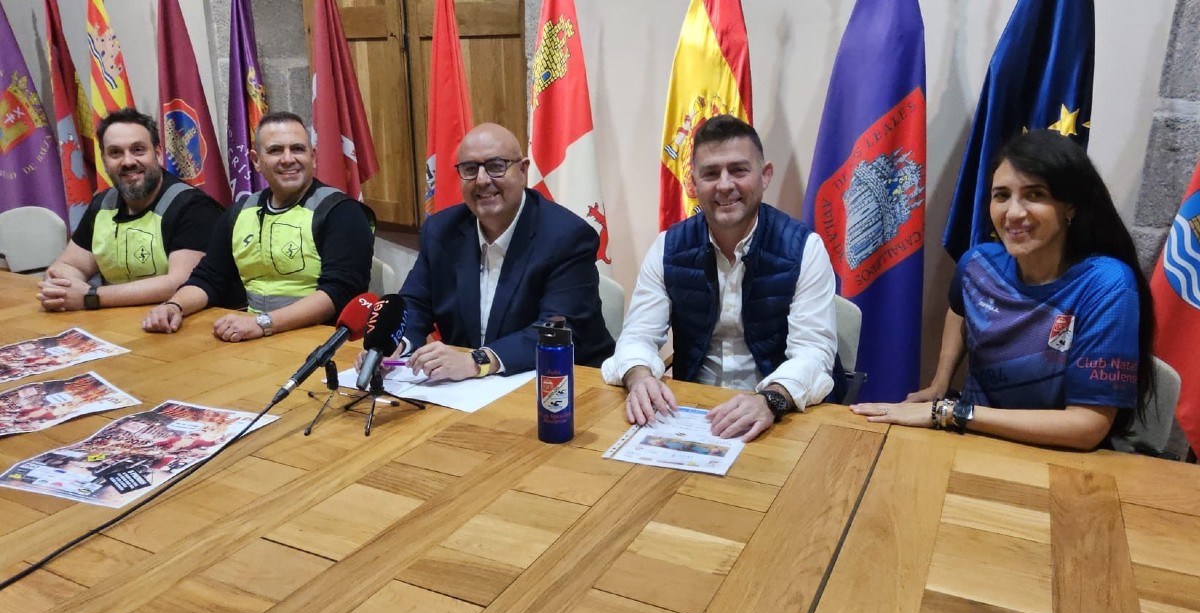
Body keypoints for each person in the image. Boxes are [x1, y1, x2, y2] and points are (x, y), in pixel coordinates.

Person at [851, 129, 1155, 451]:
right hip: (970, 442)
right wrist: (941, 382)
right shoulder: (978, 264)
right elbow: (959, 311)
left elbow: (1088, 427)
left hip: (1056, 458)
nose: (1013, 213)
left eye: (1035, 194)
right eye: (1001, 196)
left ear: (1070, 206)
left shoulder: (1106, 283)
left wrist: (952, 413)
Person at [601, 115, 838, 442]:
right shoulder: (668, 247)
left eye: (738, 170)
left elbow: (814, 353)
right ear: (692, 183)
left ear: (765, 176)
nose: (724, 185)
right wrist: (639, 376)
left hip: (780, 415)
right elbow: (637, 336)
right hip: (691, 412)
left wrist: (769, 400)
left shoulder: (805, 249)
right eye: (711, 173)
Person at [389, 122, 613, 380]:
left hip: (562, 381)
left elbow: (558, 330)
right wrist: (395, 344)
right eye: (470, 169)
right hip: (471, 389)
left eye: (496, 166)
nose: (482, 180)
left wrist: (477, 361)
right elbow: (414, 304)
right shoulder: (441, 231)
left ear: (523, 170)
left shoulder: (566, 237)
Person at [141, 112, 373, 341]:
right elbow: (209, 279)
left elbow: (339, 293)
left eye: (297, 149)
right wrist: (174, 306)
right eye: (275, 150)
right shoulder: (239, 213)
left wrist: (263, 323)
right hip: (257, 337)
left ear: (313, 157)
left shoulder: (342, 212)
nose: (288, 159)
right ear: (256, 160)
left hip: (321, 340)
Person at [37, 108, 221, 312]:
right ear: (104, 161)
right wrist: (60, 288)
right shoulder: (102, 205)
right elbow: (71, 266)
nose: (128, 162)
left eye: (138, 150)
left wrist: (91, 297)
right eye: (115, 153)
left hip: (177, 321)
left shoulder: (193, 207)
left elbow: (181, 282)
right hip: (114, 321)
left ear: (158, 154)